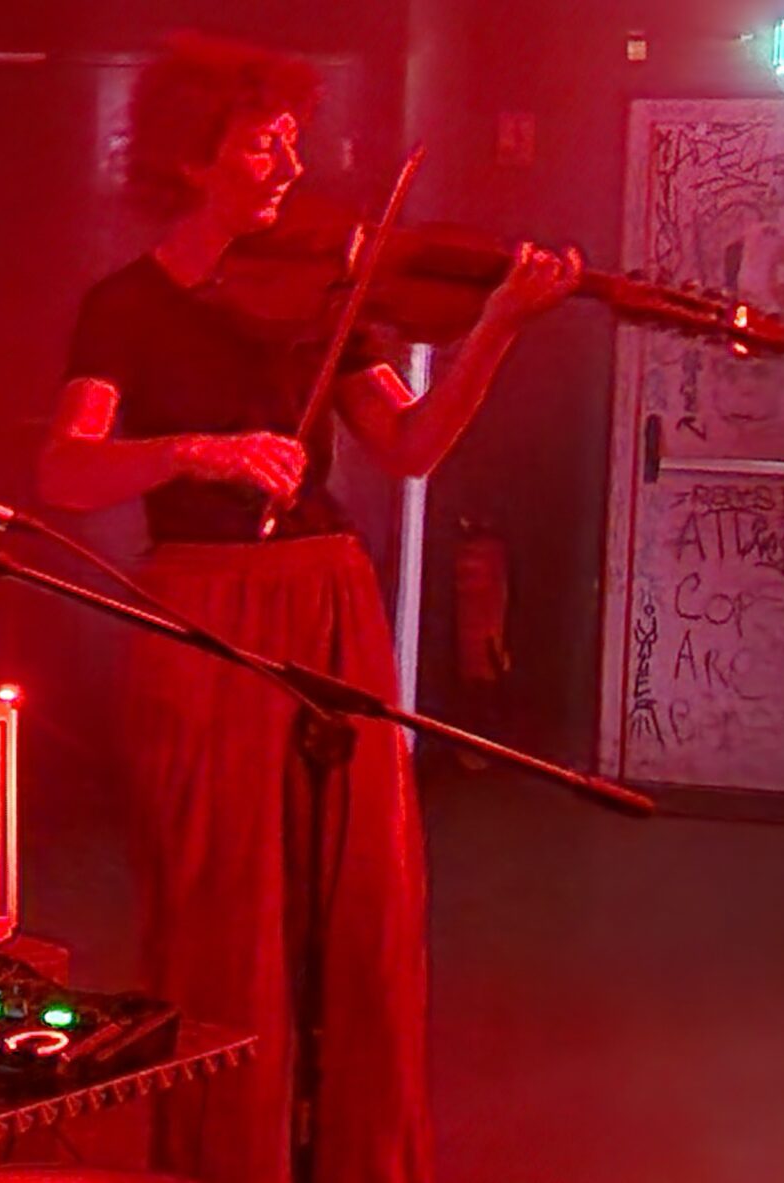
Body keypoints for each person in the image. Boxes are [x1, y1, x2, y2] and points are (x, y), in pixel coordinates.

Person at [35, 34, 581, 1183]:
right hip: (202, 610)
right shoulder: (124, 307)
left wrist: (494, 328)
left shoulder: (325, 299)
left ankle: (351, 1158)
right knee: (221, 898)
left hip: (328, 598)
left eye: (292, 139)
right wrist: (192, 450)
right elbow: (65, 469)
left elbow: (410, 446)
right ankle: (225, 1154)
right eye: (262, 143)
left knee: (359, 890)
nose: (291, 164)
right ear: (192, 160)